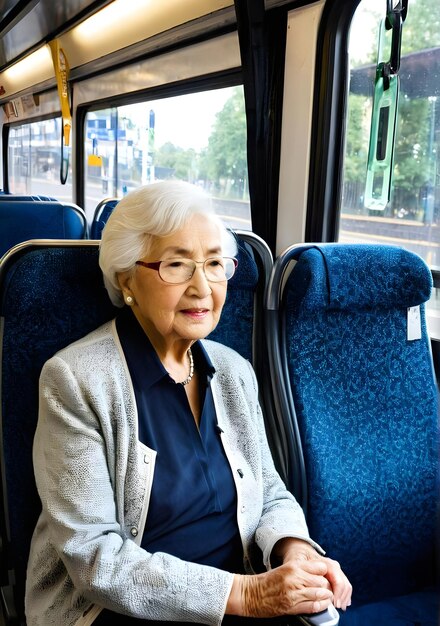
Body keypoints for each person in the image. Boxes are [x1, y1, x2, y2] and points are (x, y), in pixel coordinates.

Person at [25, 181, 352, 626]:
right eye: (177, 265)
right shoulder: (75, 380)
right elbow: (96, 560)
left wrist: (294, 552)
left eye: (215, 264)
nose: (202, 287)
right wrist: (247, 595)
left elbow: (270, 492)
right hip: (116, 610)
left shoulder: (233, 370)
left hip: (237, 598)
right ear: (126, 279)